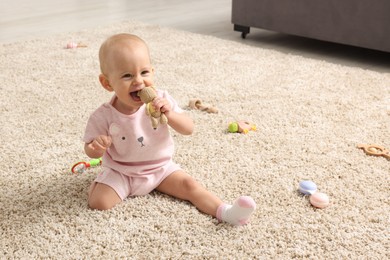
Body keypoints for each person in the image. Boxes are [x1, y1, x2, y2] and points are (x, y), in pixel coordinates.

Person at [83, 33, 256, 225]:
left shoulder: (161, 99)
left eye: (144, 72)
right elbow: (90, 149)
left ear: (152, 71)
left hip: (161, 169)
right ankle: (100, 183)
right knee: (98, 203)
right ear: (107, 83)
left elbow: (188, 128)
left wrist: (170, 114)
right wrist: (96, 148)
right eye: (127, 75)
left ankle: (228, 212)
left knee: (190, 185)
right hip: (122, 172)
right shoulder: (104, 115)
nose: (139, 81)